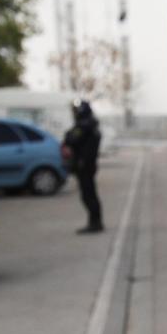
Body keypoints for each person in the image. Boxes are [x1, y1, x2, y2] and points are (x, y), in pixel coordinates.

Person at [63, 99, 103, 234]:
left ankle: (95, 223)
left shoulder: (85, 126)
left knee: (88, 195)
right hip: (86, 165)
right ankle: (95, 221)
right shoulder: (90, 125)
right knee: (89, 194)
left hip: (84, 165)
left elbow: (70, 138)